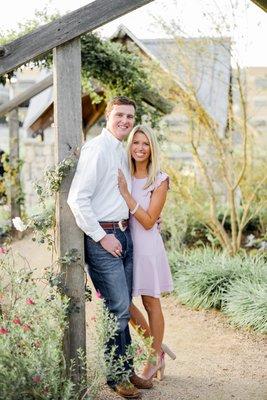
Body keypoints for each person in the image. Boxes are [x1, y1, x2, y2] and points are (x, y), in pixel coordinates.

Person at [67, 96, 152, 399]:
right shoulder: (98, 149)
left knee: (122, 307)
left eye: (130, 117)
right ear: (108, 117)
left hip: (123, 234)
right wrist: (102, 237)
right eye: (120, 115)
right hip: (104, 237)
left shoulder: (119, 150)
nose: (125, 121)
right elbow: (77, 199)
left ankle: (126, 369)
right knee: (117, 308)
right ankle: (116, 377)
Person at [117, 124, 174, 381]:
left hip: (148, 246)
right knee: (122, 303)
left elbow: (150, 220)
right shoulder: (124, 175)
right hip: (126, 245)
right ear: (130, 146)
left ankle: (153, 360)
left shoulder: (159, 179)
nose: (140, 148)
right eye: (136, 143)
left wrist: (128, 197)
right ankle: (157, 347)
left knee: (151, 302)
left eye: (145, 144)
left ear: (152, 148)